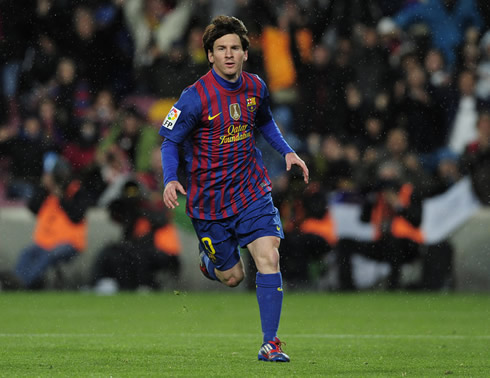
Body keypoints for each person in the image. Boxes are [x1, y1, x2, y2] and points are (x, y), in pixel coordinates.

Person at [158, 15, 309, 362]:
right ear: (210, 55)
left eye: (235, 48)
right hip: (210, 203)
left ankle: (270, 343)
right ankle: (210, 262)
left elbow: (265, 121)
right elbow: (169, 140)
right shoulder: (194, 97)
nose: (228, 54)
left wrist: (287, 152)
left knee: (269, 256)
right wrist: (170, 178)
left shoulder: (256, 87)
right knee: (233, 277)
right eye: (221, 48)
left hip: (251, 191)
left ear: (244, 53)